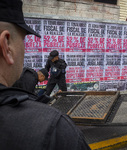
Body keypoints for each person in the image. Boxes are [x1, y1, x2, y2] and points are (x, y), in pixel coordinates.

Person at [0, 0, 91, 149]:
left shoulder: (61, 62)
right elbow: (47, 69)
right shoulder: (56, 130)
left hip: (60, 79)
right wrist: (42, 76)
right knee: (47, 92)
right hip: (52, 80)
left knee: (64, 93)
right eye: (23, 40)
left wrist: (60, 84)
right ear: (6, 46)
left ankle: (68, 107)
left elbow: (62, 73)